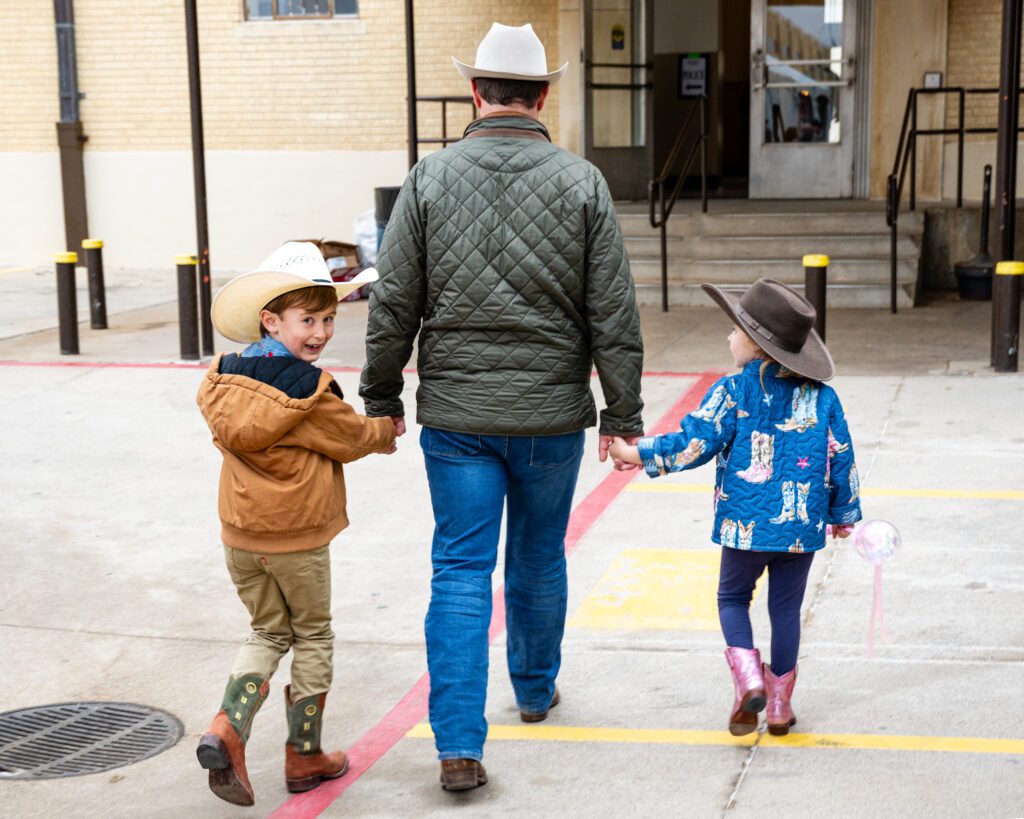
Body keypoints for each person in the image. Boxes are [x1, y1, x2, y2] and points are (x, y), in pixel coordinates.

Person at [359, 22, 645, 791]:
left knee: (459, 569)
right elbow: (613, 313)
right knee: (539, 555)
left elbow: (394, 303)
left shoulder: (428, 179)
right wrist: (622, 417)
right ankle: (534, 686)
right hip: (551, 416)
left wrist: (383, 395)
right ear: (543, 95)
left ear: (474, 93)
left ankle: (457, 743)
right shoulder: (582, 182)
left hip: (457, 417)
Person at [610, 278, 860, 737]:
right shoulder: (823, 398)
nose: (728, 337)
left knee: (732, 598)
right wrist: (843, 514)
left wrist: (636, 453)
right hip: (800, 528)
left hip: (745, 525)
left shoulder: (732, 392)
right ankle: (780, 704)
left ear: (755, 343)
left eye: (733, 330)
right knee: (786, 611)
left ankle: (747, 679)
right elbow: (841, 456)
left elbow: (694, 442)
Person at [195, 242, 395, 806]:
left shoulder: (222, 380)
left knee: (265, 632)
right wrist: (386, 430)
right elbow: (353, 437)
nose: (321, 332)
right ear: (271, 319)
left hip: (240, 536)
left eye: (329, 319)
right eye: (308, 319)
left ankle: (226, 729)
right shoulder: (307, 390)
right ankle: (304, 754)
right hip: (297, 540)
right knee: (312, 635)